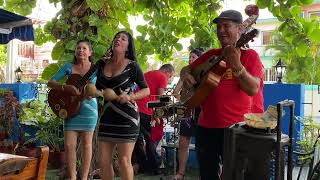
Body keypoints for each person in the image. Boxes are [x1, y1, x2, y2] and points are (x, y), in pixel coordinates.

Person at [179, 10, 264, 180]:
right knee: (207, 175)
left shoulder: (250, 56)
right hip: (206, 127)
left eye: (226, 26)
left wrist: (237, 66)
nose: (221, 30)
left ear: (240, 29)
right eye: (219, 27)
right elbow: (187, 69)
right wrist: (186, 75)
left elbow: (253, 89)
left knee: (234, 175)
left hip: (236, 129)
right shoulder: (211, 55)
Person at [95, 31, 150, 180]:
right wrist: (94, 92)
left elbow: (146, 90)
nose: (118, 40)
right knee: (104, 162)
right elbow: (98, 89)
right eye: (116, 37)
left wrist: (130, 96)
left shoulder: (132, 66)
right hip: (107, 117)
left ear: (128, 47)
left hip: (127, 118)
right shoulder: (102, 65)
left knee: (124, 160)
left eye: (123, 39)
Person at [47, 40, 98, 180]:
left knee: (87, 145)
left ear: (90, 52)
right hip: (70, 108)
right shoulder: (68, 67)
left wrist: (94, 91)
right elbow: (50, 82)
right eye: (78, 48)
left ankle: (84, 177)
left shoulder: (96, 69)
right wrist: (65, 87)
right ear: (75, 51)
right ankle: (72, 177)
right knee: (69, 146)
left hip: (89, 110)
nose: (81, 50)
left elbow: (102, 89)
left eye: (84, 48)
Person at [133, 63, 175, 175]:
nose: (169, 80)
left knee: (138, 139)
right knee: (149, 139)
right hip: (145, 108)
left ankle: (143, 166)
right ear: (168, 72)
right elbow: (160, 99)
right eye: (170, 77)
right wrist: (157, 116)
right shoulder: (162, 76)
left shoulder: (148, 73)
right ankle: (153, 168)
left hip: (134, 106)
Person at [172, 48, 204, 180]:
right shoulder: (185, 74)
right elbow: (175, 92)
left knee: (203, 144)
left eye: (194, 57)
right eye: (190, 57)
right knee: (183, 142)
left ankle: (205, 173)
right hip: (187, 111)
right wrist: (184, 101)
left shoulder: (204, 72)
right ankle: (180, 173)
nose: (191, 60)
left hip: (202, 111)